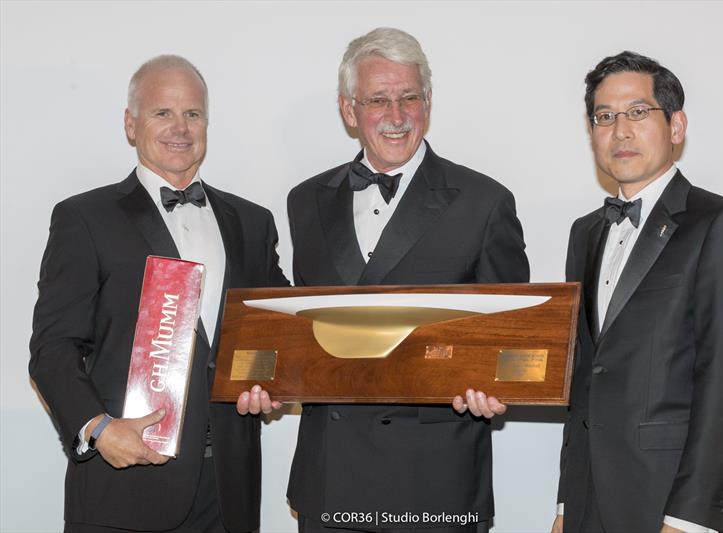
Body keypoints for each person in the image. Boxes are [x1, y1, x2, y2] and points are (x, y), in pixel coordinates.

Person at [245, 27, 528, 533]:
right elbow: (302, 330)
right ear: (349, 110)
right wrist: (271, 382)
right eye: (377, 100)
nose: (396, 117)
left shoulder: (484, 202)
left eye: (409, 98)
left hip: (435, 484)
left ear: (428, 102)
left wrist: (496, 384)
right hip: (329, 479)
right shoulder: (304, 201)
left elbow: (511, 337)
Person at [29, 55, 289, 532]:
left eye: (192, 113)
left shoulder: (253, 223)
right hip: (125, 481)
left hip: (227, 488)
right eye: (161, 113)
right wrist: (99, 430)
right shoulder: (84, 218)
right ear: (131, 124)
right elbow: (53, 349)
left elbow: (273, 334)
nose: (180, 127)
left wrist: (270, 382)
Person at [552, 51, 723, 533]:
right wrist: (566, 504)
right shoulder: (584, 232)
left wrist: (689, 518)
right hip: (589, 506)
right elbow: (585, 381)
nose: (620, 130)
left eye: (637, 112)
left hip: (674, 507)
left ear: (676, 125)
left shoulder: (720, 223)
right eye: (604, 117)